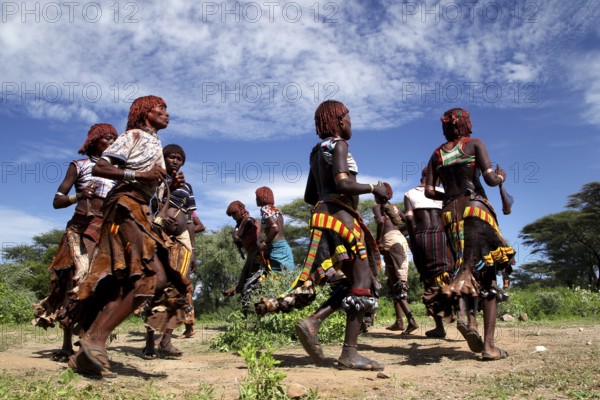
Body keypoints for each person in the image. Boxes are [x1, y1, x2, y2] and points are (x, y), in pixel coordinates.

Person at [255, 100, 389, 371]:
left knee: (350, 282)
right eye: (348, 117)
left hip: (321, 214)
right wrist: (375, 188)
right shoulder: (339, 144)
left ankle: (313, 322)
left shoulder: (317, 151)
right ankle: (349, 354)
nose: (351, 123)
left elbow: (308, 195)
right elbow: (343, 182)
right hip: (341, 217)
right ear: (339, 120)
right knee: (362, 281)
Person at [67, 95, 190, 376]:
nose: (167, 114)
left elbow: (150, 182)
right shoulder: (132, 134)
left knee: (143, 279)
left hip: (140, 210)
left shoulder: (155, 143)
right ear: (146, 113)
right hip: (123, 206)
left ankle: (89, 348)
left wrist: (169, 182)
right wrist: (138, 176)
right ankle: (95, 340)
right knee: (151, 275)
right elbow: (101, 167)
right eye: (161, 109)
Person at [424, 108, 515, 361]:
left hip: (450, 216)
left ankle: (469, 323)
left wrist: (452, 196)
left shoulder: (437, 153)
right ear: (466, 124)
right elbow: (491, 180)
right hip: (476, 211)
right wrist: (501, 176)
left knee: (463, 270)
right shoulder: (474, 144)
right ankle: (489, 346)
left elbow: (430, 192)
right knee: (485, 275)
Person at [33, 123, 118, 362]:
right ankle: (66, 343)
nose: (111, 142)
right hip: (81, 229)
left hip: (107, 232)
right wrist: (78, 196)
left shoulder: (117, 170)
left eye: (114, 138)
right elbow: (57, 201)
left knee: (105, 285)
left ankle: (93, 340)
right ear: (94, 140)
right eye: (106, 138)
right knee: (76, 281)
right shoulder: (79, 166)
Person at [141, 144, 204, 359]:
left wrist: (193, 250)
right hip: (159, 237)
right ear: (163, 158)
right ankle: (150, 341)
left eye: (179, 158)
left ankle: (166, 341)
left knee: (179, 290)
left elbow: (189, 219)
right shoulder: (154, 180)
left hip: (182, 239)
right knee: (156, 288)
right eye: (171, 157)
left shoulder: (187, 187)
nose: (175, 160)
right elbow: (147, 209)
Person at [404, 168, 466, 341]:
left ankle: (439, 327)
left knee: (428, 279)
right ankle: (462, 318)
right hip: (442, 234)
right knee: (451, 275)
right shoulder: (444, 193)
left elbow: (409, 219)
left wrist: (414, 241)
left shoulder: (409, 193)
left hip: (421, 236)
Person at [373, 183, 418, 334]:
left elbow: (380, 222)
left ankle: (411, 320)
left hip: (390, 242)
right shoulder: (395, 209)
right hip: (401, 241)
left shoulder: (377, 207)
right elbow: (409, 223)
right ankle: (399, 321)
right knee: (393, 281)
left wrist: (377, 241)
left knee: (397, 283)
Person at [224, 200, 265, 310]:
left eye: (235, 213)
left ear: (242, 210)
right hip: (251, 255)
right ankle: (244, 317)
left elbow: (240, 235)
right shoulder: (241, 223)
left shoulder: (248, 221)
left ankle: (251, 314)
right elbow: (238, 239)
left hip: (257, 255)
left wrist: (236, 235)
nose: (233, 216)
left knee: (250, 284)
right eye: (231, 215)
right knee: (244, 283)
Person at [255, 186, 295, 273]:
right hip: (284, 247)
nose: (256, 200)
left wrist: (265, 243)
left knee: (272, 280)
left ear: (263, 197)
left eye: (257, 197)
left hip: (276, 249)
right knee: (288, 279)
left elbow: (274, 228)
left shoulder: (265, 208)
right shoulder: (276, 210)